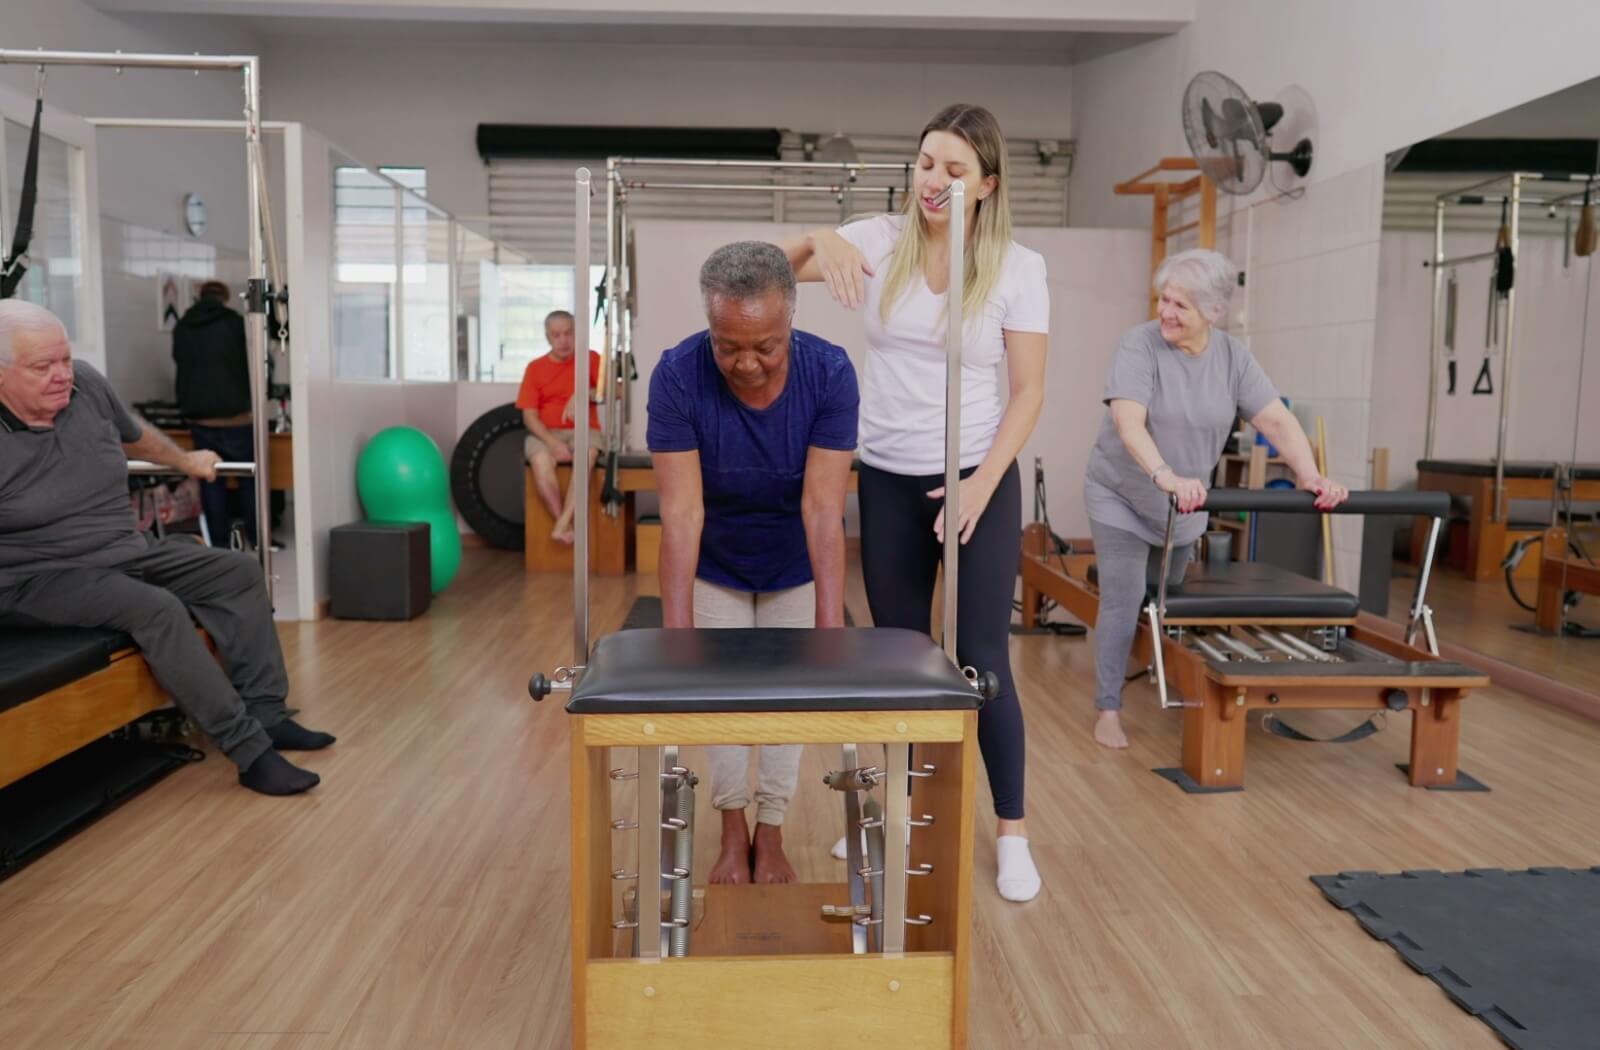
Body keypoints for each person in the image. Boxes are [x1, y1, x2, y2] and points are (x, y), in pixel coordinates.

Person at [781, 103, 1048, 903]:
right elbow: (762, 266)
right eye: (928, 163)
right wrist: (821, 239)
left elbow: (1030, 392)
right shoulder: (878, 240)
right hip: (890, 479)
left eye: (955, 169)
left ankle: (1012, 833)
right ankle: (888, 814)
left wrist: (979, 483)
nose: (934, 181)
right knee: (897, 659)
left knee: (980, 662)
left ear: (988, 185)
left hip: (976, 478)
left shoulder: (1017, 268)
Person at [0, 299, 333, 796]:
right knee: (156, 608)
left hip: (123, 548)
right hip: (37, 577)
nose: (61, 375)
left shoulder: (87, 385)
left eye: (65, 359)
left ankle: (268, 715)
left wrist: (187, 461)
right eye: (42, 366)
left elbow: (136, 439)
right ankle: (249, 752)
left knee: (238, 570)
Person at [648, 241, 858, 885]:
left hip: (794, 559)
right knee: (720, 699)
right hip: (716, 561)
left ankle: (772, 831)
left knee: (787, 703)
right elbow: (681, 515)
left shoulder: (830, 373)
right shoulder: (678, 374)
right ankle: (731, 826)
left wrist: (830, 632)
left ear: (789, 321)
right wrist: (676, 639)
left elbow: (824, 510)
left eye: (764, 346)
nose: (745, 362)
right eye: (727, 344)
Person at [1083, 248, 1350, 749]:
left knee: (1166, 595)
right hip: (1121, 492)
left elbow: (1275, 420)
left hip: (1183, 507)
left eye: (1180, 305)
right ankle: (1108, 708)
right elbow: (1127, 420)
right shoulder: (1138, 346)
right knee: (1122, 598)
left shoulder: (1233, 358)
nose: (1166, 312)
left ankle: (1160, 669)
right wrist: (1164, 474)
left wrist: (1312, 475)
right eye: (1164, 300)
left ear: (1213, 312)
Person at [172, 280, 256, 548]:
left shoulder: (183, 326)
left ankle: (218, 543)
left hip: (199, 417)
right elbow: (252, 363)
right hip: (236, 416)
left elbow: (180, 362)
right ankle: (256, 537)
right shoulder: (235, 324)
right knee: (248, 480)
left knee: (211, 480)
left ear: (200, 296)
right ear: (225, 297)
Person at [517, 310, 602, 544]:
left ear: (576, 334)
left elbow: (616, 391)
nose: (563, 340)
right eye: (556, 335)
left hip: (584, 430)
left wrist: (584, 392)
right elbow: (529, 416)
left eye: (568, 333)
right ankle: (563, 522)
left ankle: (562, 525)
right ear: (547, 337)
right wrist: (552, 443)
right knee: (540, 462)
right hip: (546, 432)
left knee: (586, 455)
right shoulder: (535, 368)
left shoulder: (591, 359)